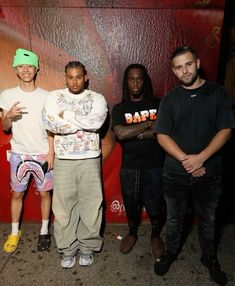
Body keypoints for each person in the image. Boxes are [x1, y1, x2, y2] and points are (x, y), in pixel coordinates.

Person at [154, 46, 235, 286]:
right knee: (175, 218)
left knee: (209, 220)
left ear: (198, 63)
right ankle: (170, 252)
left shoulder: (218, 93)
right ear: (173, 71)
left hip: (209, 172)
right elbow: (162, 135)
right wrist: (188, 161)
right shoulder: (169, 98)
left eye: (188, 64)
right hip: (175, 173)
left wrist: (202, 157)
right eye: (178, 67)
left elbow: (226, 129)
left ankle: (209, 257)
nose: (184, 70)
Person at [42, 61, 108, 269]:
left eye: (78, 77)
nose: (74, 81)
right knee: (63, 208)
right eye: (70, 77)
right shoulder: (54, 97)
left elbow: (96, 123)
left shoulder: (97, 98)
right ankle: (67, 248)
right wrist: (81, 121)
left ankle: (87, 246)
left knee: (91, 204)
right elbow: (49, 123)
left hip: (90, 158)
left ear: (85, 77)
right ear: (65, 77)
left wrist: (67, 116)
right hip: (63, 160)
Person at [0, 48, 54, 253]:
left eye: (29, 66)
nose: (25, 70)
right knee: (17, 195)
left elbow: (51, 128)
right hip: (19, 154)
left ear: (36, 68)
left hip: (42, 152)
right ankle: (14, 233)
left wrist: (51, 153)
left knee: (44, 194)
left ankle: (44, 231)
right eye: (21, 66)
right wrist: (10, 115)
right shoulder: (7, 95)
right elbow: (5, 127)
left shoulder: (47, 96)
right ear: (15, 69)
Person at [111, 64, 165, 258]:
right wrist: (147, 124)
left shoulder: (159, 103)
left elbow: (163, 132)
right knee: (131, 204)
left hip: (155, 165)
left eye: (139, 79)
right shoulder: (120, 108)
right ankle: (132, 233)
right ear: (126, 82)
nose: (135, 83)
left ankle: (156, 236)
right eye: (131, 79)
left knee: (156, 204)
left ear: (145, 81)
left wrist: (138, 133)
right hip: (130, 167)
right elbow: (121, 133)